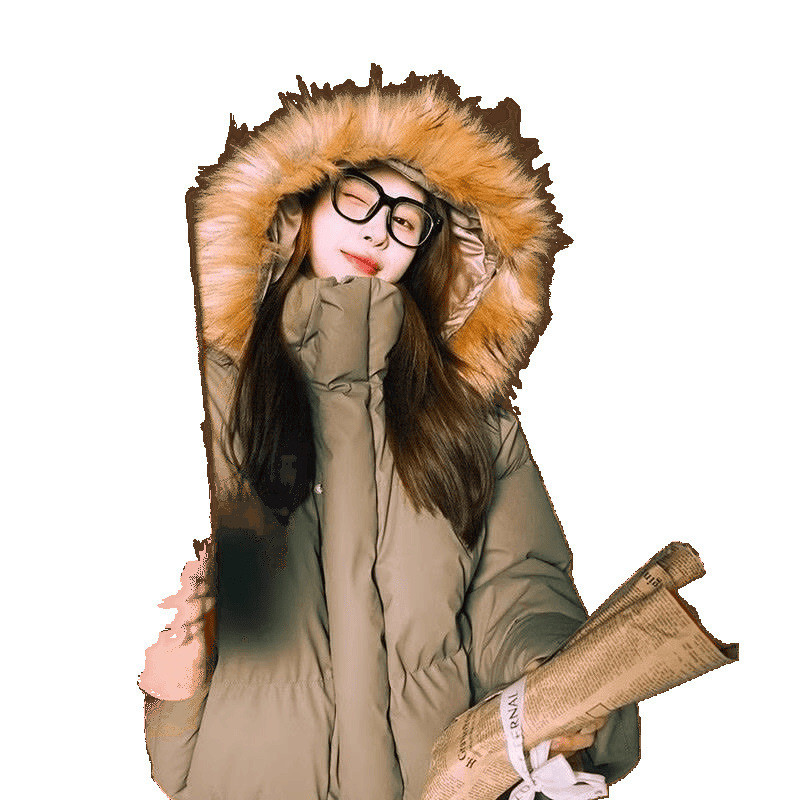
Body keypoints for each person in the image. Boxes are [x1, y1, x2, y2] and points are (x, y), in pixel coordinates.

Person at [140, 69, 640, 800]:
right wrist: (172, 695)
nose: (379, 228)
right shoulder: (221, 393)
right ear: (301, 207)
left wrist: (554, 690)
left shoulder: (470, 423)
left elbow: (520, 586)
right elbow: (180, 728)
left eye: (408, 219)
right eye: (359, 197)